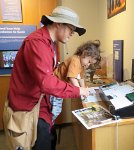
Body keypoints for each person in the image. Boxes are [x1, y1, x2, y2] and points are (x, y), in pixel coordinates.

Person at [7, 6, 89, 150]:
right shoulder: (37, 42)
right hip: (28, 107)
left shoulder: (51, 44)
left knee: (50, 138)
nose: (72, 34)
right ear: (58, 23)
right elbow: (46, 82)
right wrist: (78, 91)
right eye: (71, 29)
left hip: (41, 103)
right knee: (41, 142)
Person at [50, 40, 101, 121]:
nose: (88, 65)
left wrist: (83, 88)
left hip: (60, 87)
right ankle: (48, 125)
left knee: (56, 110)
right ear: (84, 53)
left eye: (90, 64)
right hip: (54, 86)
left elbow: (81, 78)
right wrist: (80, 90)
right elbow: (72, 78)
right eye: (89, 61)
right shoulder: (75, 60)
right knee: (55, 111)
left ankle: (49, 124)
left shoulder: (82, 64)